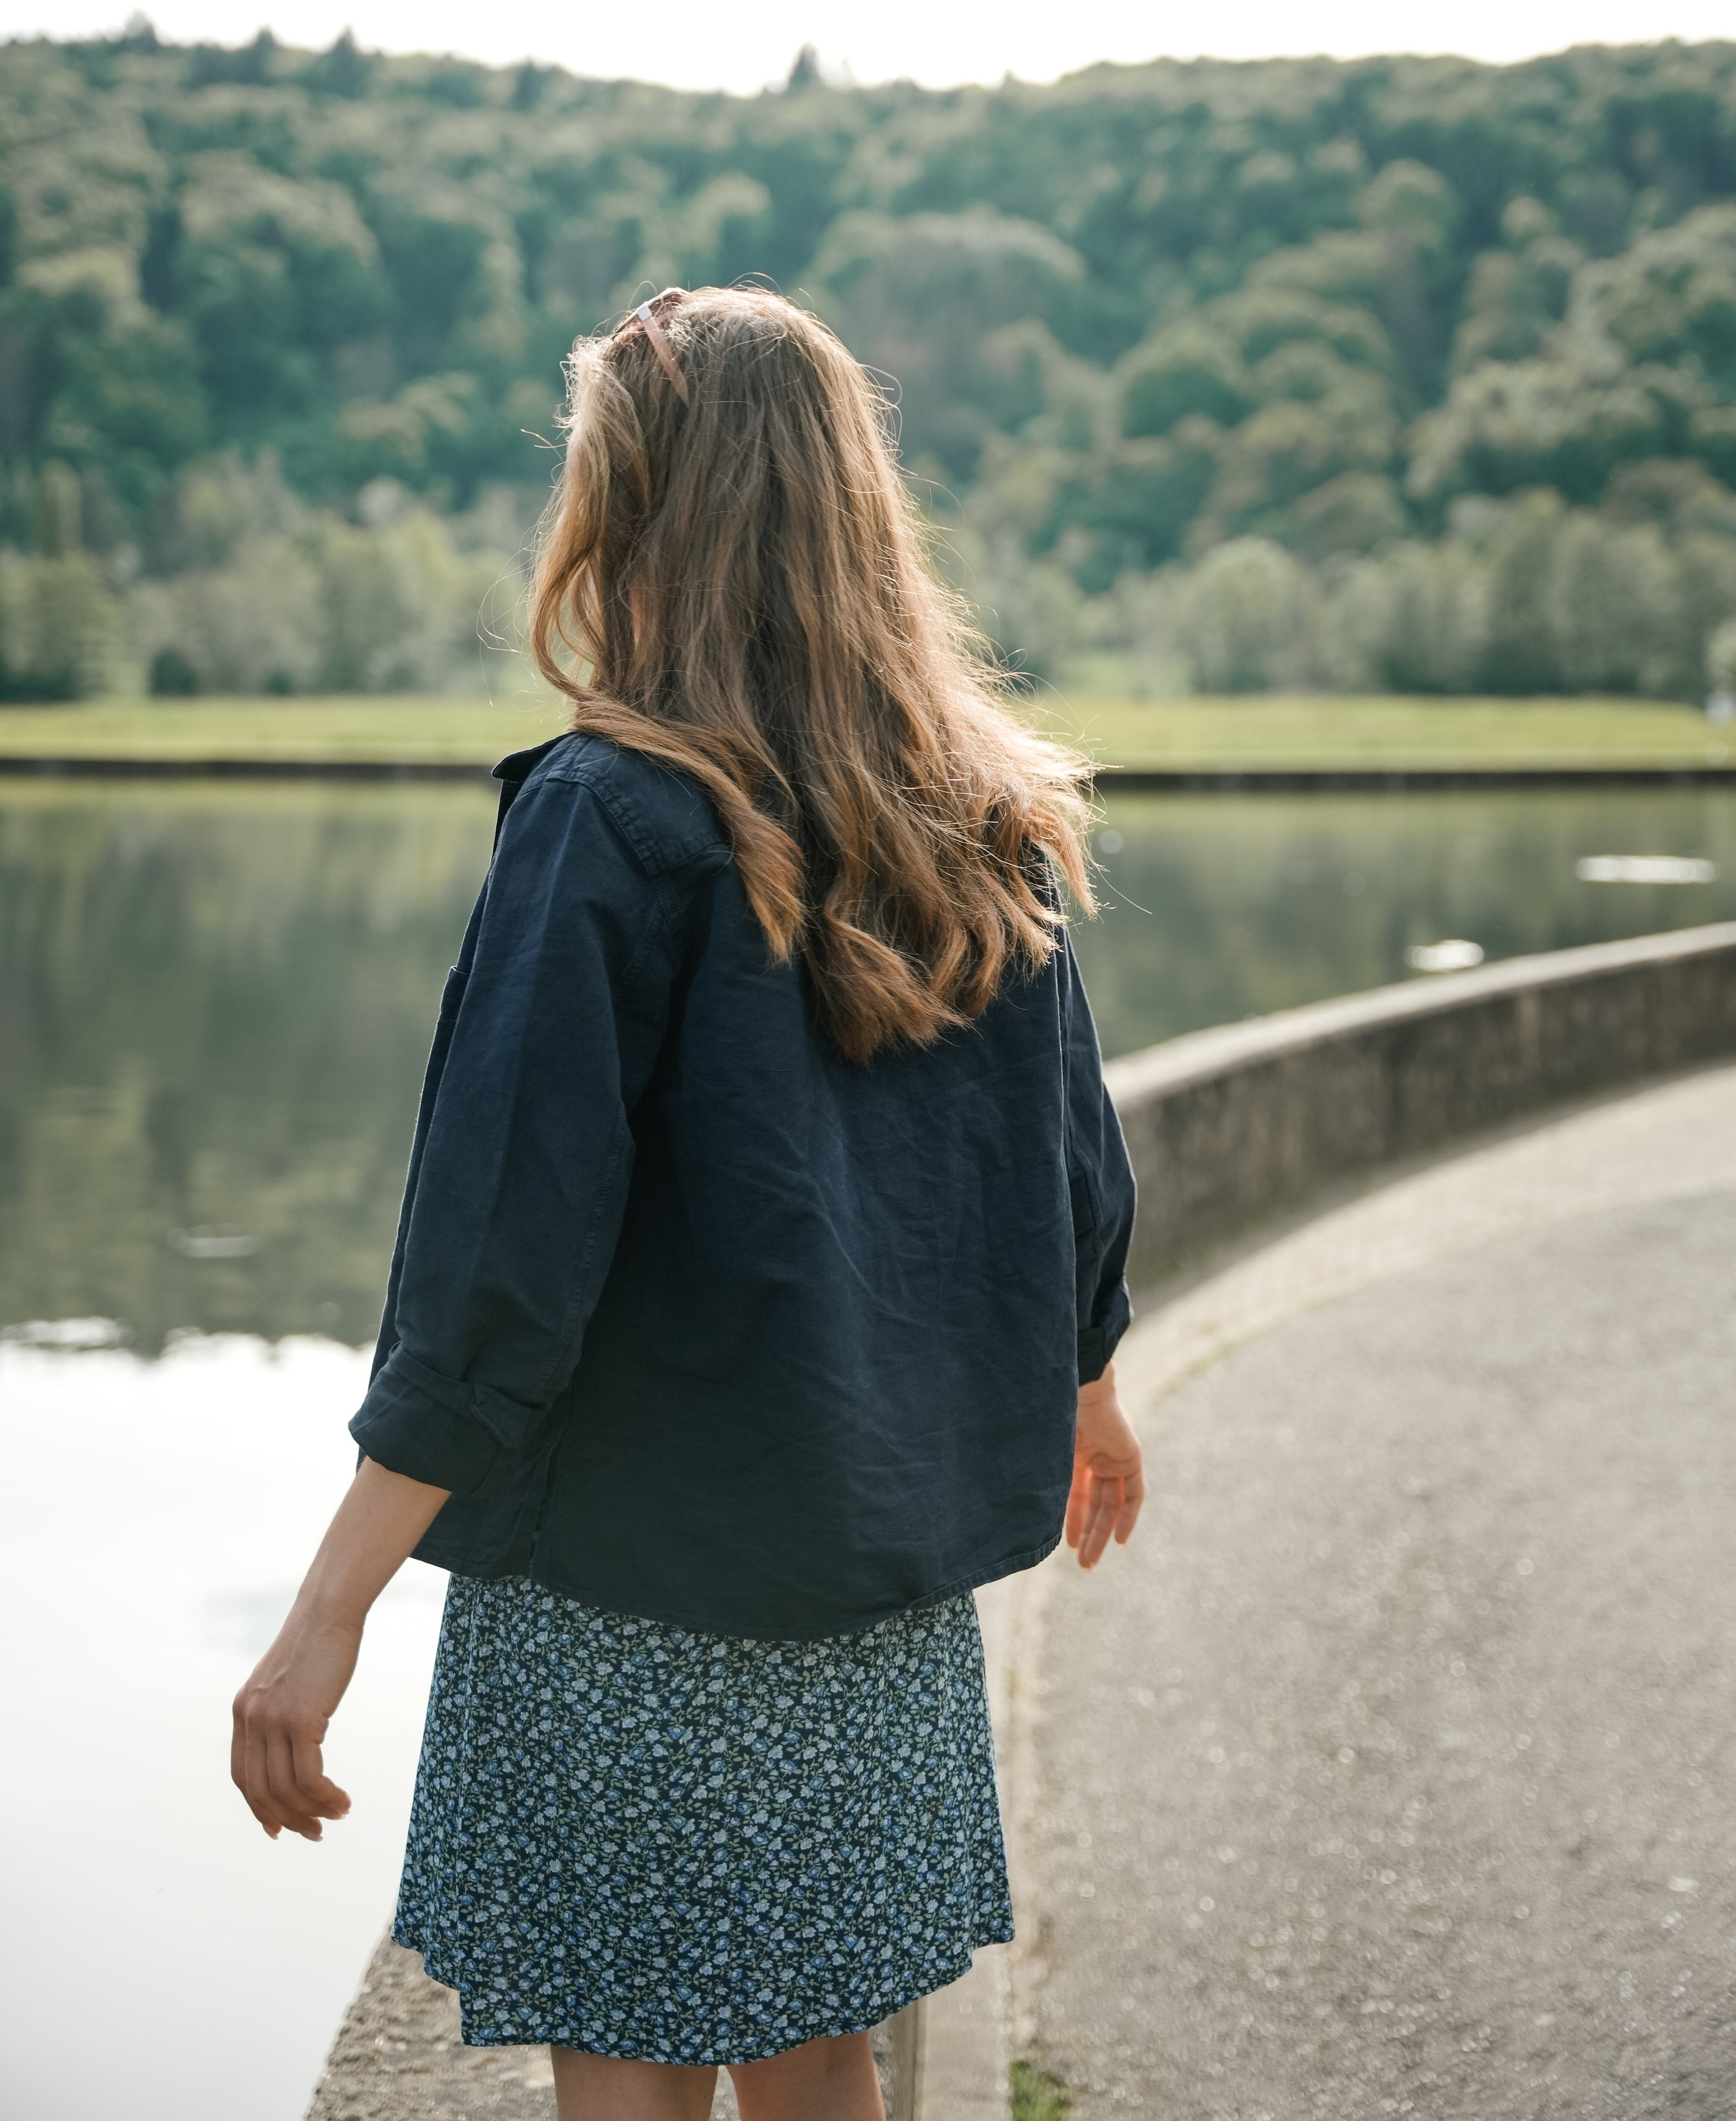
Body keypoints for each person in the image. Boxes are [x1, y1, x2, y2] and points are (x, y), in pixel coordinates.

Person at [231, 285, 1143, 2121]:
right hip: (871, 1562)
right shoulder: (980, 815)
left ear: (629, 509)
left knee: (630, 2068)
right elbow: (1070, 1172)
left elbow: (500, 1263)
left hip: (624, 1578)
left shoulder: (607, 816)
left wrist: (328, 1603)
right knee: (823, 2057)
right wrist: (1093, 1398)